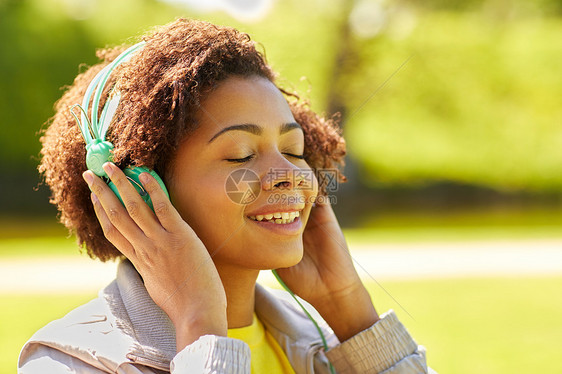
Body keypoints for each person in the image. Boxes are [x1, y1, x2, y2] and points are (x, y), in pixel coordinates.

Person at [19, 18, 432, 373]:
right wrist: (200, 325)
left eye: (294, 150)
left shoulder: (323, 340)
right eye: (241, 155)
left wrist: (350, 311)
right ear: (136, 192)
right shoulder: (70, 363)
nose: (289, 175)